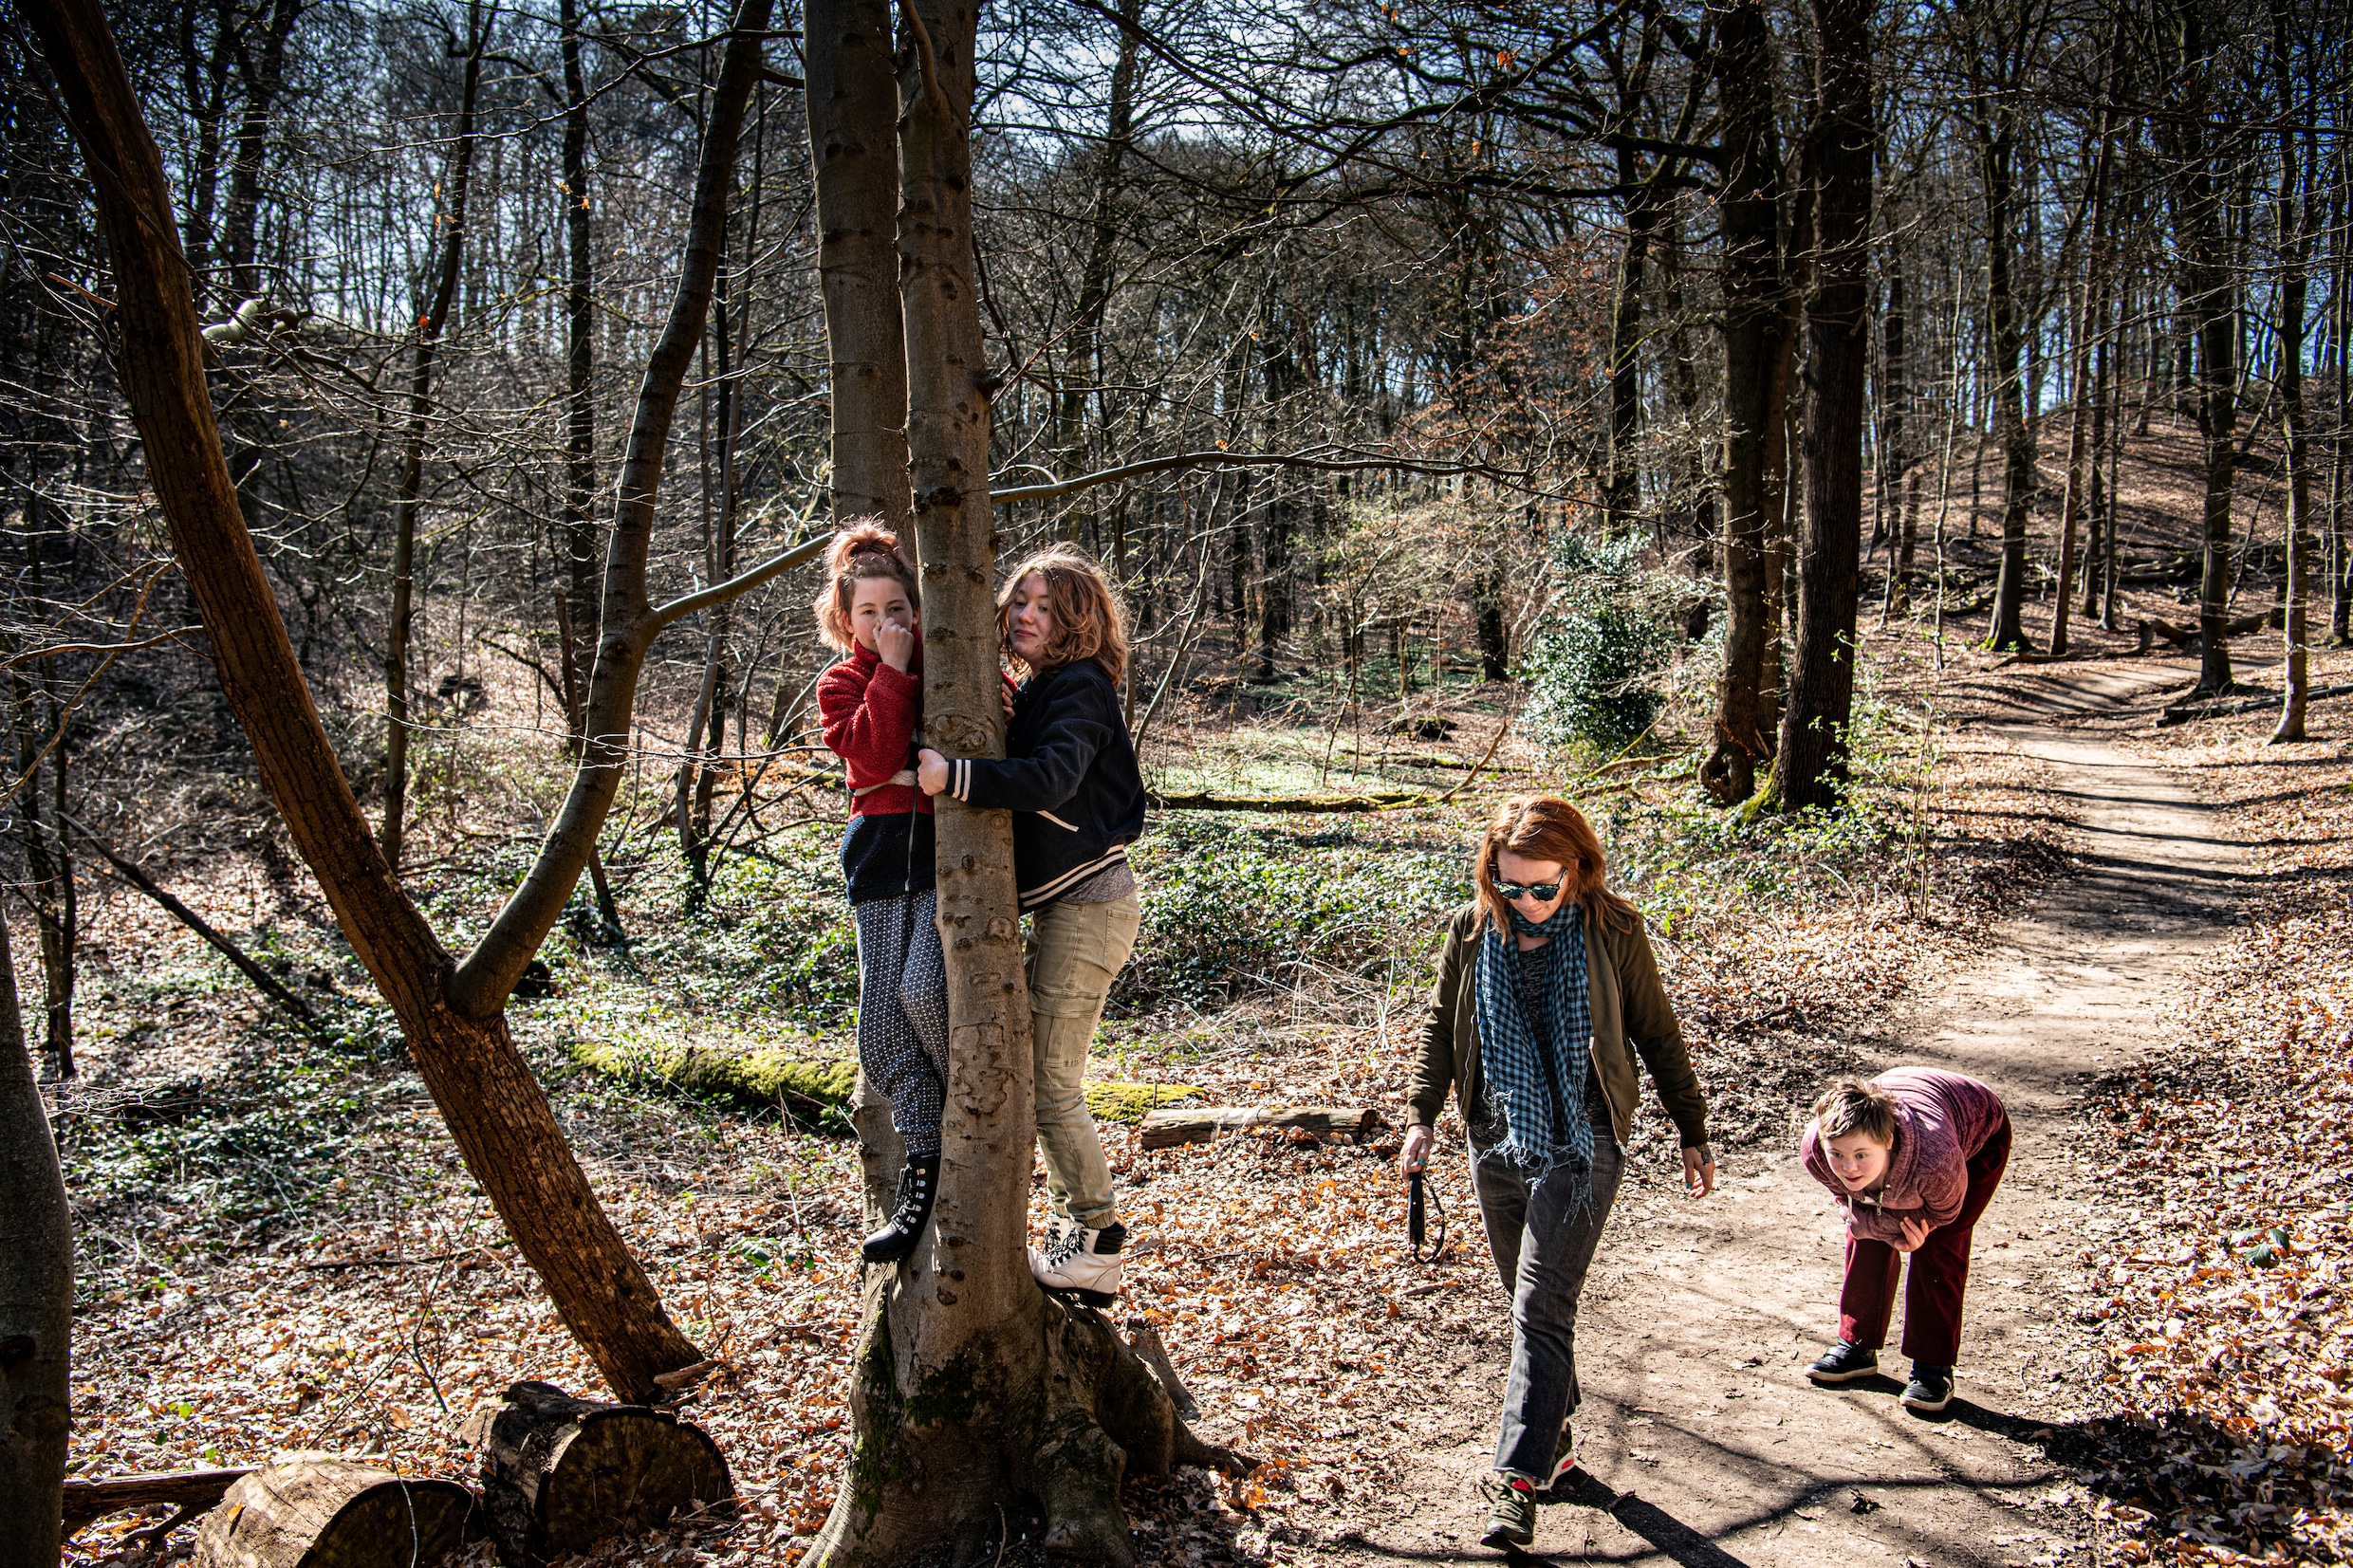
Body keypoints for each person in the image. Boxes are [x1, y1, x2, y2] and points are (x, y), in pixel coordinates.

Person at [1402, 795, 1714, 1554]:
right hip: (1496, 1135)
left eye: (1543, 887)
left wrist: (1691, 1127)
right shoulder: (1474, 928)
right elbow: (1444, 1023)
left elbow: (1657, 1031)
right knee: (1527, 1301)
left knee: (1542, 1306)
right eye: (1510, 886)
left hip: (1586, 1137)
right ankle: (1558, 1441)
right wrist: (1422, 1116)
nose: (1527, 902)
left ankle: (1515, 1480)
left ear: (1577, 870)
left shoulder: (1614, 929)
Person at [917, 545, 1147, 1305]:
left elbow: (1051, 778)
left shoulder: (1081, 687)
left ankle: (1096, 1239)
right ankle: (1079, 1237)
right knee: (1047, 1080)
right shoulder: (1052, 686)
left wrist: (959, 775)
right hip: (1073, 909)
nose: (1024, 615)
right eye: (1021, 600)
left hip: (1091, 909)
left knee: (1052, 1085)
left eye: (1045, 607)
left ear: (1076, 621)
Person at [813, 525, 950, 1265]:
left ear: (917, 607)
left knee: (925, 990)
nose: (884, 621)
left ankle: (969, 1109)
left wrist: (908, 667)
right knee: (878, 1028)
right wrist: (889, 671)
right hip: (874, 857)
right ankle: (922, 1165)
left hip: (939, 854)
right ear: (846, 620)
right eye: (867, 611)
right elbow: (869, 753)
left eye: (896, 605)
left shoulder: (944, 667)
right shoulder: (840, 682)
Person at [1799, 1069, 2011, 1413]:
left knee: (1939, 1245)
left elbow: (1945, 1215)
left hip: (1978, 1134)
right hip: (1919, 1116)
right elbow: (1849, 1201)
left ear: (1887, 1141)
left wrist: (1906, 1235)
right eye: (1838, 1154)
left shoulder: (1935, 1163)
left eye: (1861, 1155)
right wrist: (1871, 1221)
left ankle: (1932, 1368)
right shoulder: (1816, 1151)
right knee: (1865, 1230)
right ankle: (1857, 1346)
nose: (1848, 1166)